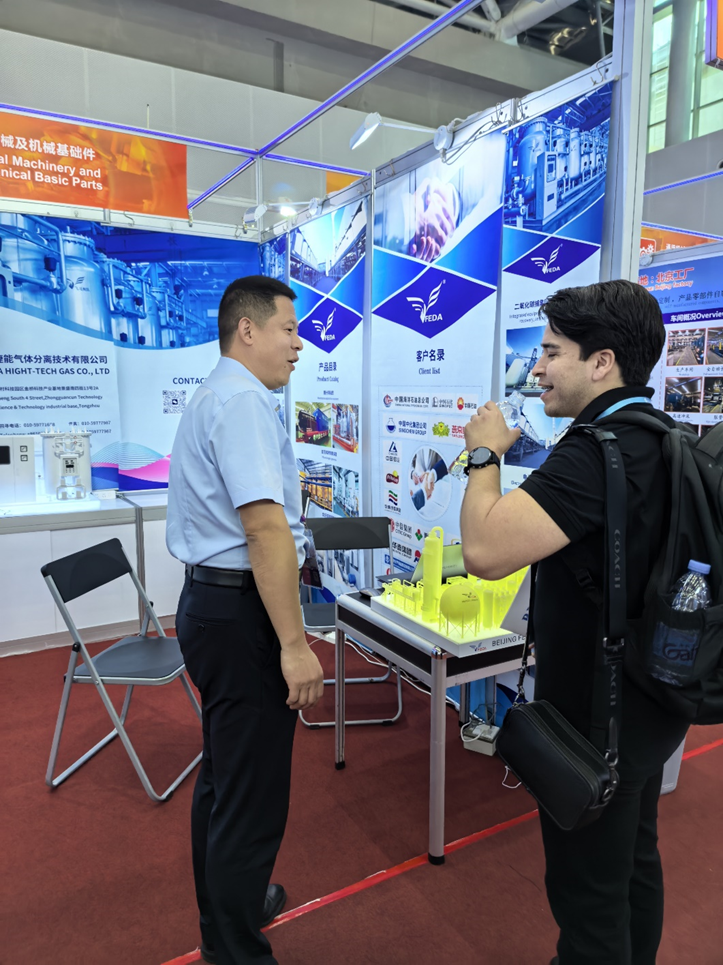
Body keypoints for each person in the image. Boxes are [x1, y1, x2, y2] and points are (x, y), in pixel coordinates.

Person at [460, 279, 689, 965]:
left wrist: (484, 454)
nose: (536, 368)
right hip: (650, 701)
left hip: (597, 717)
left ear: (602, 362)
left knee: (588, 896)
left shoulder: (594, 450)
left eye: (552, 352)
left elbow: (485, 551)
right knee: (633, 864)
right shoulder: (663, 438)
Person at [166, 275, 324, 965]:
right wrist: (293, 643)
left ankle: (231, 908)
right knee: (249, 797)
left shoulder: (219, 393)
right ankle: (233, 948)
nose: (298, 345)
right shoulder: (242, 401)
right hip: (240, 614)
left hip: (213, 606)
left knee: (226, 779)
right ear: (247, 330)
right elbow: (264, 528)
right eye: (288, 329)